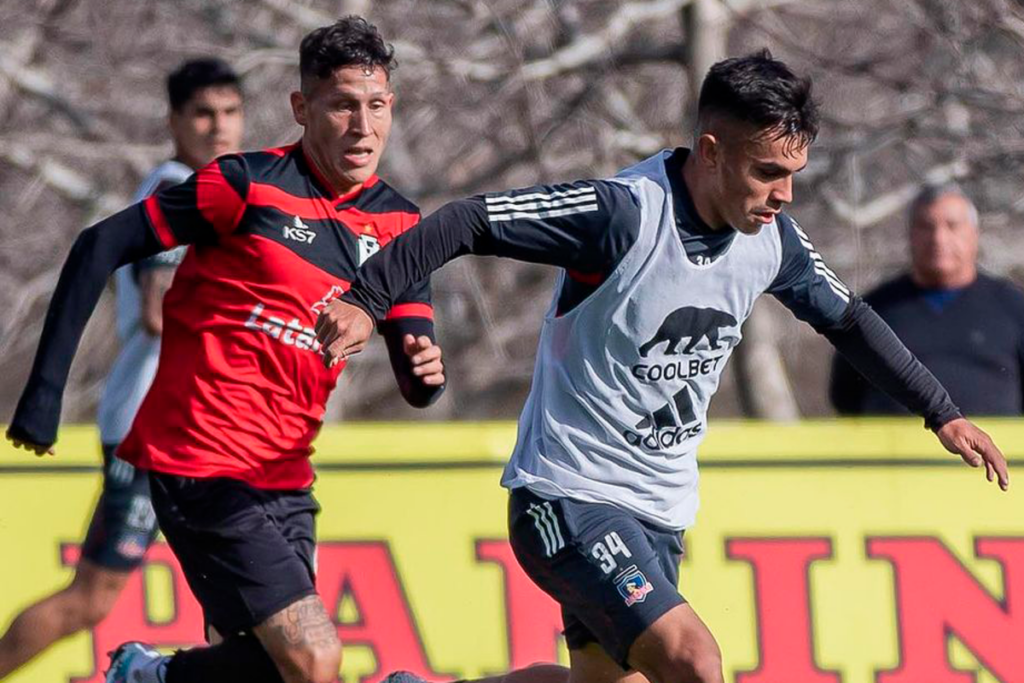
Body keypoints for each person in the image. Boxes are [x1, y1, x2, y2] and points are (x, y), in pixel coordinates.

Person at [316, 50, 1009, 683]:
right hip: (567, 495)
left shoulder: (773, 243)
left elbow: (849, 319)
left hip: (659, 511)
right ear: (711, 153)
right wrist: (368, 299)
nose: (784, 195)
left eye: (793, 175)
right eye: (767, 171)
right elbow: (468, 218)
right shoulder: (620, 216)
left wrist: (940, 409)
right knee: (694, 660)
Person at [6, 18, 448, 683]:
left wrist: (424, 371)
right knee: (315, 656)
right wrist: (43, 395)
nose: (363, 125)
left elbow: (418, 367)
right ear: (303, 109)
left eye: (377, 105)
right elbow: (100, 245)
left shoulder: (401, 223)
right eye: (342, 105)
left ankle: (149, 675)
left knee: (268, 668)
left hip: (287, 475)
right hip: (198, 459)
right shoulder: (242, 185)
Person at [0, 56, 245, 681]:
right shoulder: (173, 189)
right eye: (202, 114)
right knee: (96, 597)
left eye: (230, 112)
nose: (219, 128)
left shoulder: (219, 193)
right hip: (158, 426)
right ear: (174, 122)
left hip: (192, 425)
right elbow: (164, 313)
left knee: (225, 593)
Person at [831, 182, 1024, 415]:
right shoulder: (871, 312)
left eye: (952, 226)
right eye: (926, 226)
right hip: (893, 450)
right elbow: (845, 398)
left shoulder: (1013, 308)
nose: (939, 238)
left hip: (992, 451)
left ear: (974, 234)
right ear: (910, 235)